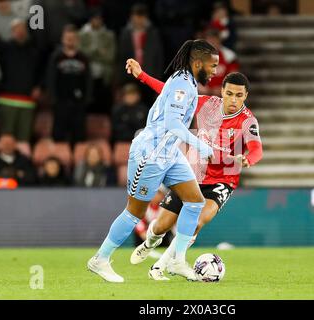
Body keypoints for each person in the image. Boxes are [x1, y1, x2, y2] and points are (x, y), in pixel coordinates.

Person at [87, 39, 219, 283]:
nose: (215, 71)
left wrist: (142, 75)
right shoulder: (182, 82)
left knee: (194, 201)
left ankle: (178, 260)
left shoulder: (185, 80)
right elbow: (172, 124)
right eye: (212, 66)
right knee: (134, 213)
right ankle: (100, 259)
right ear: (198, 63)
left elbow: (164, 92)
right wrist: (202, 146)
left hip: (169, 153)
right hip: (150, 154)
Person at [126, 59, 263, 280]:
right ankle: (151, 241)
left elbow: (257, 149)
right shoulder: (206, 104)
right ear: (222, 91)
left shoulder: (248, 122)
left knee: (196, 221)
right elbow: (169, 92)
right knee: (161, 226)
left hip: (222, 180)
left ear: (246, 96)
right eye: (229, 94)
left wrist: (247, 160)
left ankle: (162, 265)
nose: (233, 100)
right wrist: (142, 75)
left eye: (239, 96)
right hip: (193, 174)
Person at [0, 19, 41, 142]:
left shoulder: (34, 50)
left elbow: (40, 72)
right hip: (6, 100)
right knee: (6, 138)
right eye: (17, 29)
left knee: (24, 138)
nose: (20, 32)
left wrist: (38, 86)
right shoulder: (4, 48)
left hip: (27, 101)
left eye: (22, 29)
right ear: (12, 32)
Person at [46, 24, 92, 145]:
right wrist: (53, 98)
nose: (70, 41)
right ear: (62, 39)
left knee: (79, 136)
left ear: (77, 40)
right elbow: (50, 79)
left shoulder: (83, 58)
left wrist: (86, 98)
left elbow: (88, 80)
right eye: (67, 38)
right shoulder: (56, 57)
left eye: (72, 38)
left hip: (79, 103)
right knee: (58, 136)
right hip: (60, 102)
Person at [79, 10, 116, 114]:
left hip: (103, 77)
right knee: (86, 108)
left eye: (99, 19)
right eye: (95, 19)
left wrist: (91, 54)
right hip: (86, 76)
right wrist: (98, 52)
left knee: (103, 108)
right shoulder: (81, 34)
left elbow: (110, 57)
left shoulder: (109, 35)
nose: (97, 21)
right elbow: (80, 55)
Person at [199, 28, 239, 96]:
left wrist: (224, 88)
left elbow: (234, 77)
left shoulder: (229, 55)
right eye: (210, 41)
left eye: (214, 41)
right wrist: (198, 86)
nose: (212, 44)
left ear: (219, 41)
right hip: (202, 95)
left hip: (223, 95)